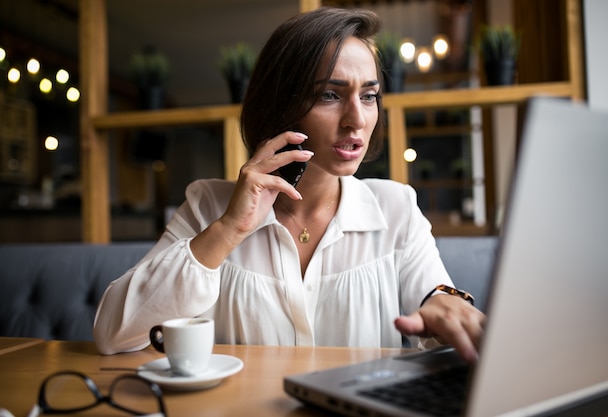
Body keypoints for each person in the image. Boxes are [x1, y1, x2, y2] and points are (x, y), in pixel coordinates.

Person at [93, 7, 485, 363]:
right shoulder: (208, 206)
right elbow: (113, 334)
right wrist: (229, 229)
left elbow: (437, 300)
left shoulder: (396, 208)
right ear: (281, 105)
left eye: (369, 96)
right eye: (330, 95)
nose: (357, 119)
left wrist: (443, 306)